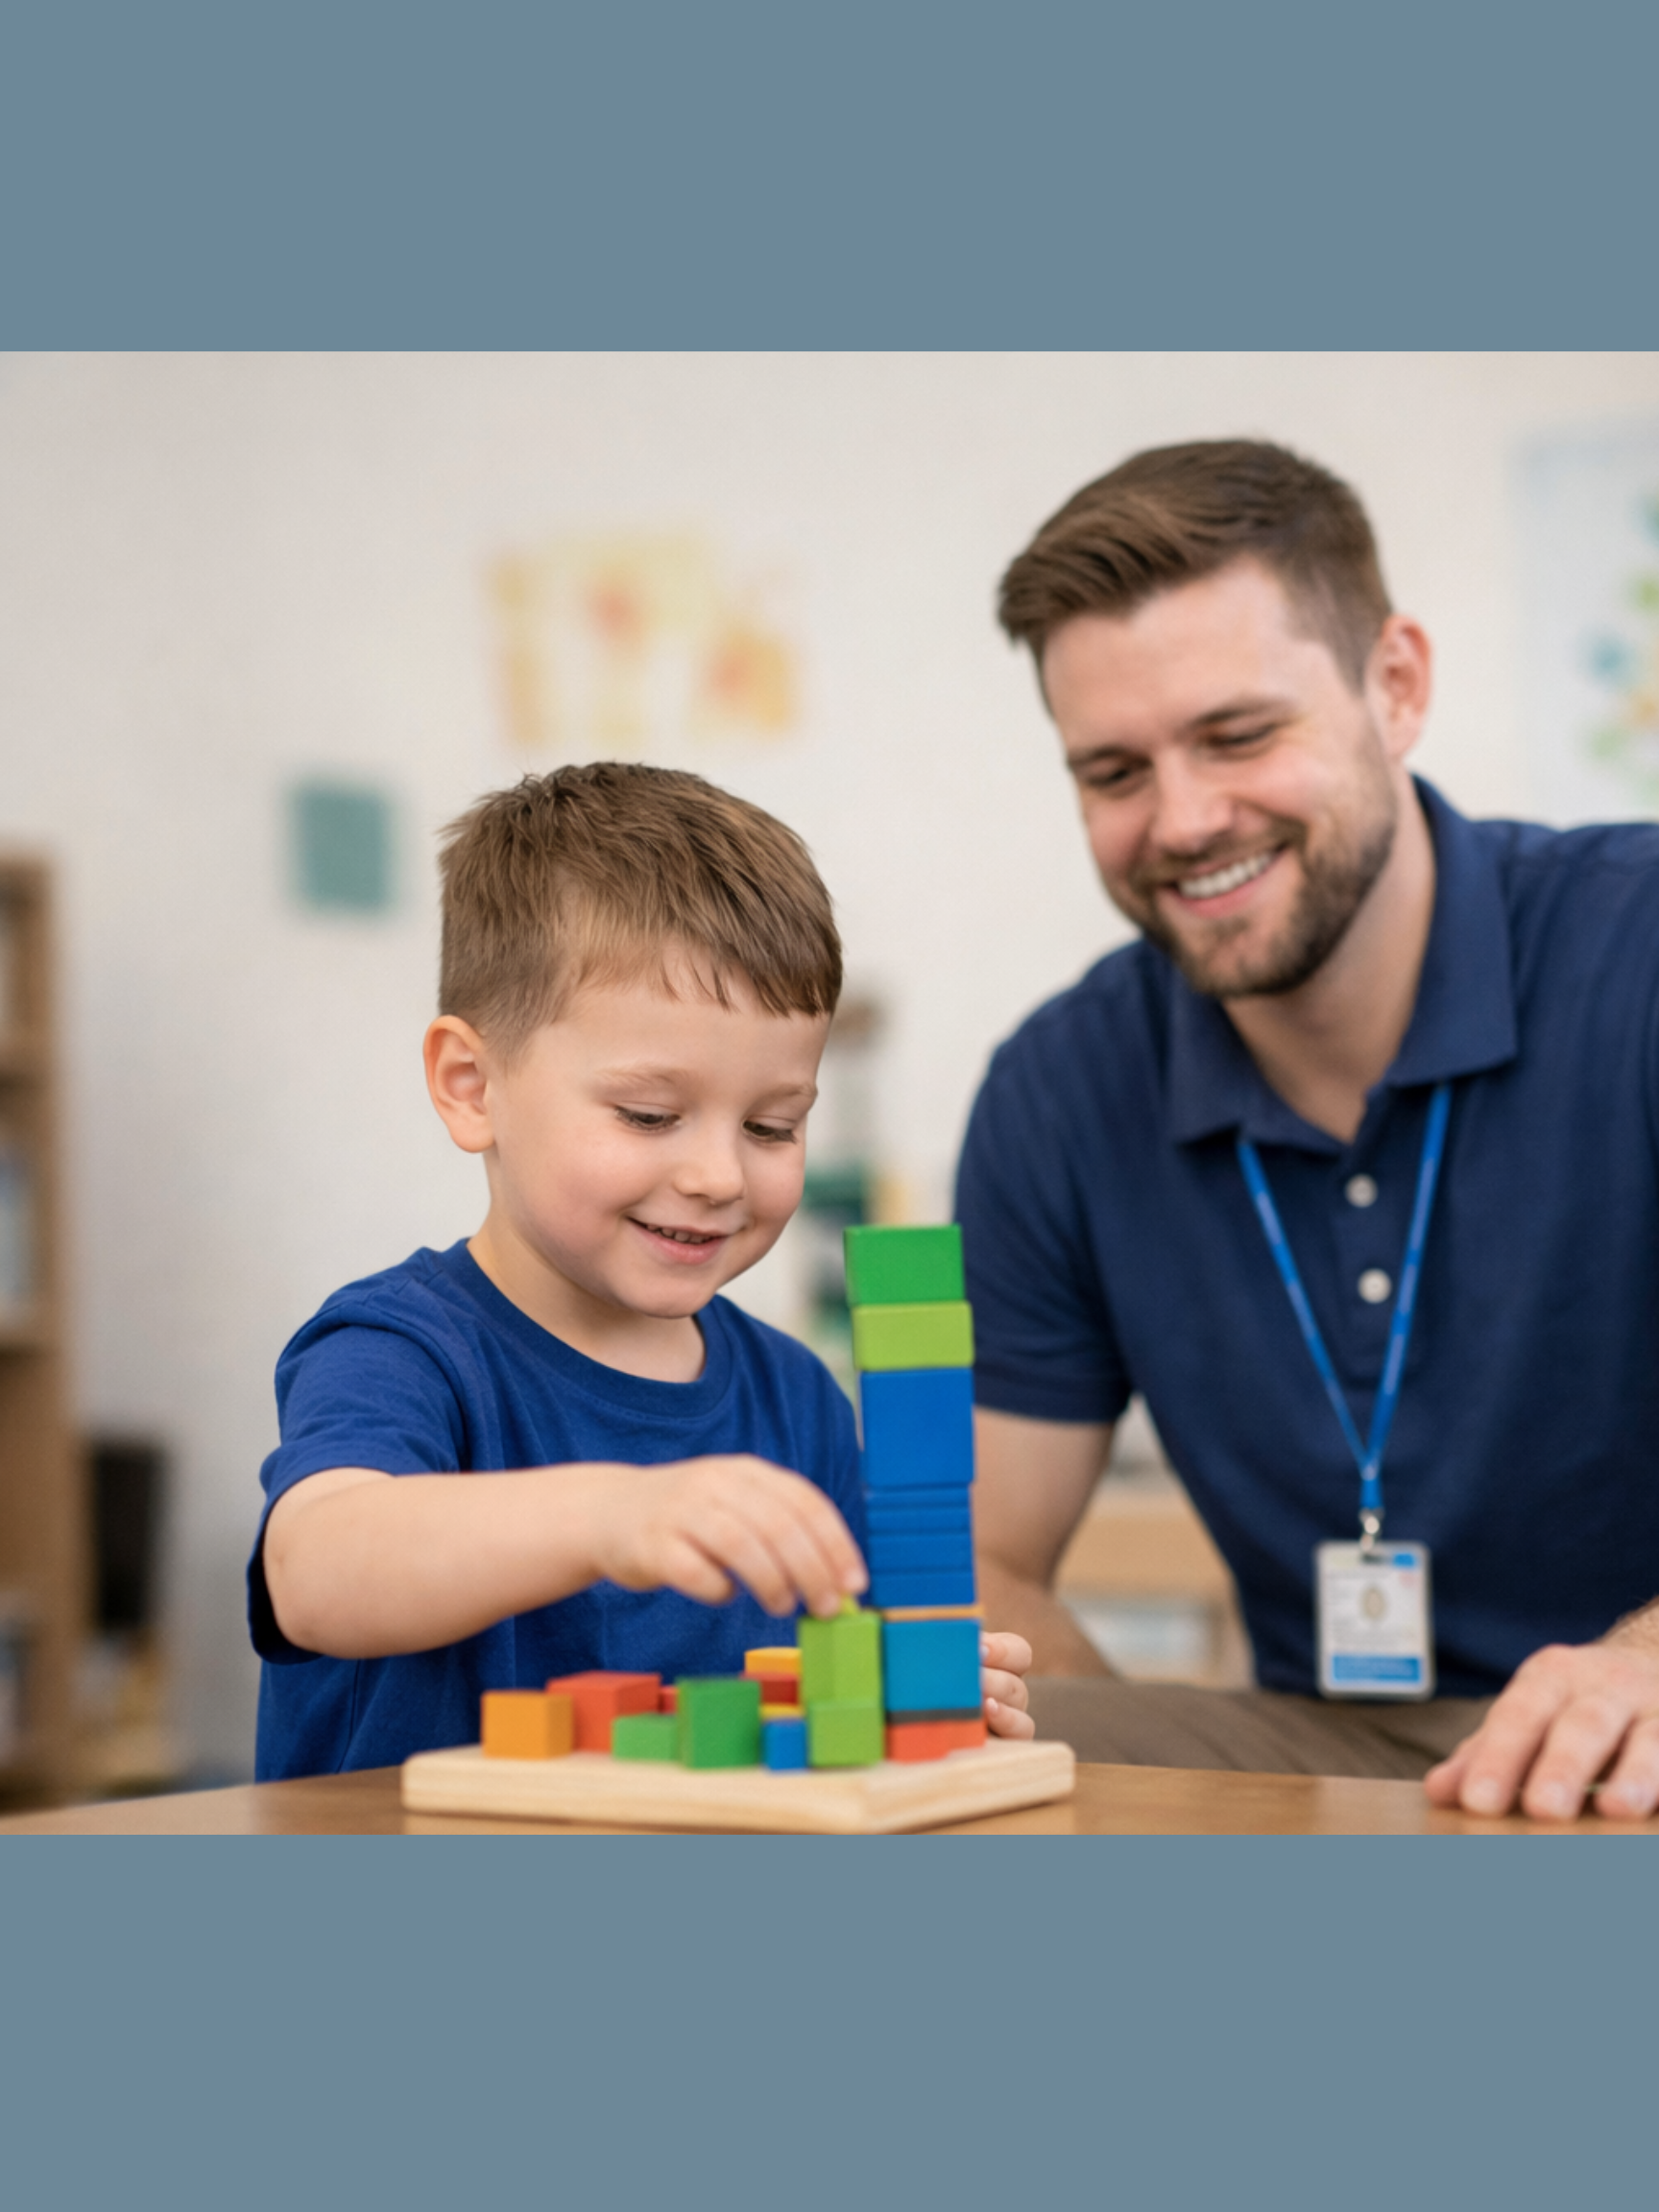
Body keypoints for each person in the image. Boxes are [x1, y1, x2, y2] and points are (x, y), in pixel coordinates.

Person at [958, 439, 1659, 1821]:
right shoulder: (1054, 1086)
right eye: (1113, 771)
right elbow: (974, 1553)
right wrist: (1102, 1759)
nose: (1185, 820)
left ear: (1395, 686)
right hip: (1310, 1753)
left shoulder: (1635, 947)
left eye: (1238, 735)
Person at [249, 763, 1033, 1778]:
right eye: (651, 1116)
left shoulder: (796, 1399)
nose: (716, 1175)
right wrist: (610, 1514)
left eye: (772, 1125)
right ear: (472, 1086)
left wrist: (912, 1689)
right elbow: (318, 1570)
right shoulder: (401, 1349)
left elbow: (829, 1690)